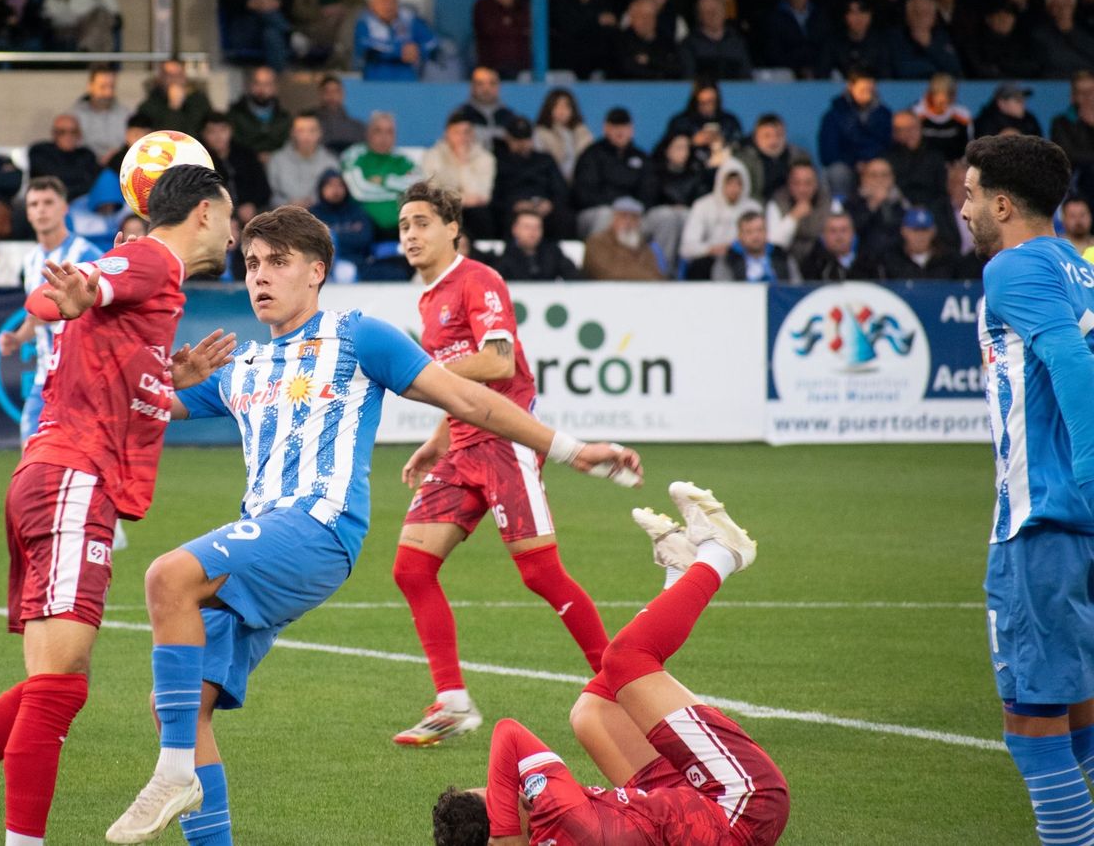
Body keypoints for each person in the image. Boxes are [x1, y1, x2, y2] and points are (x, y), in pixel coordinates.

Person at [101, 202, 641, 844]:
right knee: (181, 707)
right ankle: (190, 793)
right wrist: (142, 340)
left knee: (167, 576)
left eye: (278, 262)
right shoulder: (240, 367)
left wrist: (572, 449)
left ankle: (172, 776)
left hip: (318, 529)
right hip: (268, 540)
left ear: (316, 271)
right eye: (251, 263)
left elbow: (470, 398)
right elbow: (133, 407)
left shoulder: (359, 337)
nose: (260, 276)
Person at [0, 166, 236, 846]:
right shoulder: (154, 257)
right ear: (206, 212)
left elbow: (106, 362)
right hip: (73, 478)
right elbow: (65, 292)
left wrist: (168, 377)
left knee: (56, 682)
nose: (234, 235)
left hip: (47, 475)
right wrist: (75, 293)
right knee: (60, 683)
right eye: (231, 216)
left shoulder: (150, 281)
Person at [431, 483, 789, 846]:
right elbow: (508, 732)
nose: (514, 790)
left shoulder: (544, 830)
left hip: (683, 813)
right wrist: (506, 826)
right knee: (624, 659)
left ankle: (678, 580)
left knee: (591, 714)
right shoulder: (559, 812)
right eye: (501, 798)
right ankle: (721, 554)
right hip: (745, 805)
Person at [957, 134, 1094, 846]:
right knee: (1080, 716)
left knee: (1033, 725)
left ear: (1004, 204)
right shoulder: (1080, 268)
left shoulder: (1011, 267)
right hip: (1077, 525)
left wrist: (1091, 470)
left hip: (1041, 523)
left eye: (972, 194)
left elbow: (1072, 362)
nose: (965, 208)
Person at [0, 175, 103, 440]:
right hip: (44, 380)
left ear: (64, 208)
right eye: (34, 204)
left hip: (83, 381)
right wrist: (18, 338)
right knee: (30, 455)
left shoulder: (86, 255)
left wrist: (57, 312)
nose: (41, 210)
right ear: (28, 214)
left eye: (48, 202)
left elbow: (102, 312)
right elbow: (35, 317)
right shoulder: (31, 260)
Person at [572, 108, 656, 238]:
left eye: (624, 127)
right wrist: (617, 207)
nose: (620, 131)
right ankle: (599, 252)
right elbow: (584, 193)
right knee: (605, 214)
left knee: (663, 217)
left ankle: (656, 253)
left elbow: (650, 190)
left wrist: (633, 208)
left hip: (635, 212)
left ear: (631, 130)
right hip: (599, 211)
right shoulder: (592, 154)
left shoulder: (641, 157)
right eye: (615, 127)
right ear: (606, 128)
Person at [339, 111, 424, 236]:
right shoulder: (353, 156)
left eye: (389, 132)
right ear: (368, 133)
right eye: (378, 131)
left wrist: (385, 181)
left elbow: (419, 187)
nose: (384, 137)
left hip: (402, 226)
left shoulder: (403, 159)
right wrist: (399, 192)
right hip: (364, 226)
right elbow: (359, 192)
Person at [817, 70, 893, 197]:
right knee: (837, 172)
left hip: (874, 164)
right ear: (850, 87)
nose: (867, 94)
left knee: (882, 171)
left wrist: (870, 162)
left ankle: (884, 206)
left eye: (870, 90)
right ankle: (840, 206)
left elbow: (887, 144)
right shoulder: (834, 115)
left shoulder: (884, 114)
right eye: (862, 90)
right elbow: (828, 152)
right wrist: (855, 162)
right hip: (847, 165)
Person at [493, 118, 572, 240]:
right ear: (508, 138)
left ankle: (556, 251)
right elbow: (494, 195)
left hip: (543, 205)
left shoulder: (545, 160)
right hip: (512, 208)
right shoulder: (498, 161)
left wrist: (550, 204)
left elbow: (561, 189)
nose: (522, 143)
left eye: (526, 139)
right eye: (517, 139)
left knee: (564, 217)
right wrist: (513, 205)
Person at [679, 159, 761, 275]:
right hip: (708, 262)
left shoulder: (753, 208)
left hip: (744, 262)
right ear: (720, 182)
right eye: (729, 183)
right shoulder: (702, 206)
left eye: (739, 183)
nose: (734, 189)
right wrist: (711, 249)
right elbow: (687, 248)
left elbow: (763, 242)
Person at [423, 120, 497, 240]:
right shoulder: (433, 156)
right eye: (457, 132)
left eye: (466, 132)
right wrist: (463, 199)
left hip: (474, 211)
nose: (462, 137)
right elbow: (433, 192)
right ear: (447, 133)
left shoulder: (485, 158)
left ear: (473, 134)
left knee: (481, 215)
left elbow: (483, 196)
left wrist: (463, 163)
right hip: (445, 207)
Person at [355, 0, 438, 81]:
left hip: (408, 82)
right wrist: (399, 51)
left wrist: (418, 50)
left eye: (393, 1)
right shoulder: (364, 23)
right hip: (375, 83)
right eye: (383, 1)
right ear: (372, 5)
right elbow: (368, 47)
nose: (388, 6)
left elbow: (432, 42)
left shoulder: (409, 20)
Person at [551, 0, 615, 79]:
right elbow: (568, 29)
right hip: (567, 69)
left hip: (599, 68)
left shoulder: (601, 3)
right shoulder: (556, 3)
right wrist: (597, 22)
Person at [868, 206, 964, 280]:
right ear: (904, 231)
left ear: (933, 232)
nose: (920, 236)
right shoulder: (891, 260)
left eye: (924, 230)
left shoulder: (948, 260)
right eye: (915, 230)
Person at [763, 0, 828, 76]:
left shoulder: (820, 16)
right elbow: (773, 52)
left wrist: (818, 69)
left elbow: (827, 47)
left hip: (819, 72)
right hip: (786, 73)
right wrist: (798, 69)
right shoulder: (774, 18)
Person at [733, 113, 810, 204]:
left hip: (790, 207)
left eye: (778, 135)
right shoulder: (743, 160)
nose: (773, 141)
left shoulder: (799, 156)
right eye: (767, 136)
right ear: (755, 137)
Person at [583, 197, 665, 281]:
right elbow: (608, 273)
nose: (628, 222)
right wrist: (646, 276)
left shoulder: (643, 246)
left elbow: (657, 274)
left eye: (634, 218)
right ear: (613, 219)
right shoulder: (597, 242)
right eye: (623, 216)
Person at [266, 112, 337, 209]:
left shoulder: (331, 162)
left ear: (320, 133)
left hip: (321, 215)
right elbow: (270, 195)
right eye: (300, 130)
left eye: (312, 130)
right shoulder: (276, 160)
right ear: (292, 132)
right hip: (284, 214)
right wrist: (288, 204)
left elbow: (335, 194)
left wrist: (314, 203)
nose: (306, 136)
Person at [765, 160, 828, 266]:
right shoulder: (777, 203)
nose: (802, 189)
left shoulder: (829, 203)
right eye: (797, 183)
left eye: (808, 183)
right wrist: (793, 217)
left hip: (822, 263)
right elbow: (774, 244)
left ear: (816, 183)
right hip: (786, 263)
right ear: (789, 184)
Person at [886, 110, 948, 218]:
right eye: (902, 129)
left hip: (932, 209)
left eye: (912, 128)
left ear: (920, 128)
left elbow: (942, 190)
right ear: (895, 133)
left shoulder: (935, 156)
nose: (909, 133)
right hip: (899, 210)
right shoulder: (887, 158)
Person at [711, 209, 801, 282]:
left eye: (760, 230)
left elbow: (797, 287)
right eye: (749, 232)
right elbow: (723, 290)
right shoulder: (728, 260)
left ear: (766, 232)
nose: (755, 236)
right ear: (740, 235)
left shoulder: (781, 256)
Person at [678, 0, 752, 82]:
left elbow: (746, 76)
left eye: (716, 10)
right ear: (699, 16)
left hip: (737, 90)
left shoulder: (737, 42)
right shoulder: (689, 45)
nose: (713, 16)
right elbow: (688, 77)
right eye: (708, 12)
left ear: (724, 12)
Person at [845, 157, 907, 262]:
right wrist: (873, 204)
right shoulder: (853, 202)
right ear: (863, 178)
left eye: (884, 175)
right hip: (863, 260)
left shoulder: (902, 203)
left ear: (892, 178)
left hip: (898, 259)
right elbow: (853, 230)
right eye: (873, 175)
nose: (879, 180)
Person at [472, 0, 530, 79]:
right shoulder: (483, 6)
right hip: (491, 70)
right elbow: (490, 30)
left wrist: (508, 24)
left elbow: (527, 30)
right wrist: (515, 27)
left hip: (522, 68)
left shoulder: (523, 7)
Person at [132, 59, 213, 137]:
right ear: (161, 78)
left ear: (185, 77)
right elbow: (161, 136)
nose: (175, 80)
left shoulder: (199, 101)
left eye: (179, 75)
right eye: (170, 75)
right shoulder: (149, 106)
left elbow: (206, 132)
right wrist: (174, 107)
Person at [494, 209, 580, 281]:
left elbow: (574, 278)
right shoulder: (503, 257)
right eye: (527, 227)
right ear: (515, 229)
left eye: (537, 227)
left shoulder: (553, 253)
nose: (533, 232)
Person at [890, 0, 963, 79]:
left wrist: (929, 46)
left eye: (926, 13)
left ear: (934, 18)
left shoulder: (944, 37)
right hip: (904, 86)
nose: (921, 17)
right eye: (916, 12)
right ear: (907, 16)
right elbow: (898, 70)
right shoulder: (894, 38)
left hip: (940, 85)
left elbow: (955, 69)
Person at [227, 65, 292, 157]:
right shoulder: (235, 115)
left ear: (275, 87)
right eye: (257, 83)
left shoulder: (284, 118)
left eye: (267, 84)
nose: (261, 89)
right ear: (250, 85)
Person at [70, 65, 128, 168]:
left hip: (118, 167)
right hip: (83, 168)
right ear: (90, 87)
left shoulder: (126, 115)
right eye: (103, 87)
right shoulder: (74, 116)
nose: (108, 93)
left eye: (112, 87)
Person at [451, 67, 525, 148]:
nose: (486, 89)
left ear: (499, 86)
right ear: (472, 87)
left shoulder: (510, 117)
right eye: (480, 84)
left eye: (492, 83)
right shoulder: (460, 115)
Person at [532, 88, 593, 183]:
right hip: (550, 182)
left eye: (566, 106)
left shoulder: (583, 132)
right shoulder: (540, 133)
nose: (561, 111)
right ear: (549, 109)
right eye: (557, 106)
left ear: (573, 109)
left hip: (580, 183)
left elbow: (590, 161)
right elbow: (540, 164)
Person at [1051, 71, 1094, 204]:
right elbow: (1068, 155)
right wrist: (1085, 125)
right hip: (1077, 185)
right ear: (1073, 97)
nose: (1088, 98)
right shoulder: (1061, 123)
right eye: (1083, 93)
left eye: (1091, 91)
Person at [1032, 0, 1094, 78]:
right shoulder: (1038, 36)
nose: (1062, 9)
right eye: (1056, 5)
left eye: (1066, 4)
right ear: (1049, 8)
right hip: (1054, 82)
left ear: (1073, 7)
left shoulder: (1088, 33)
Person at [611, 0, 680, 80]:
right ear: (632, 18)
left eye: (650, 16)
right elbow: (625, 69)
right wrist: (659, 69)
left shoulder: (665, 40)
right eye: (642, 16)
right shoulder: (620, 40)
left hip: (665, 86)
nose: (646, 21)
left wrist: (650, 61)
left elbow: (677, 68)